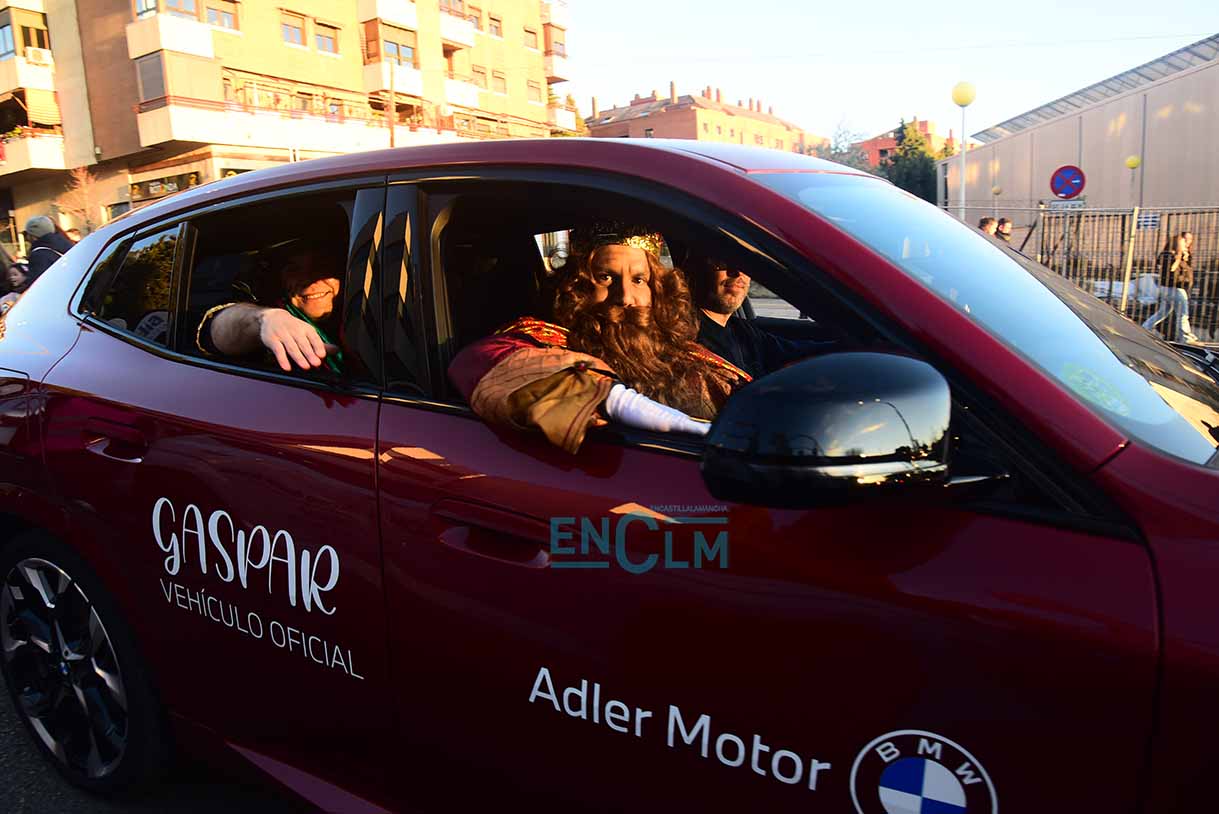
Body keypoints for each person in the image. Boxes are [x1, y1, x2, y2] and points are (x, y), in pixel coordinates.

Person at [448, 223, 751, 453]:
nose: (625, 297)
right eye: (606, 278)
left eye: (639, 280)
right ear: (579, 287)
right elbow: (477, 361)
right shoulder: (551, 339)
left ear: (657, 289)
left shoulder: (681, 352)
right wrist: (616, 401)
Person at [197, 240, 345, 373]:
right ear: (281, 280)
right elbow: (219, 330)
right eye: (293, 269)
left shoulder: (356, 316)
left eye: (320, 267)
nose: (308, 279)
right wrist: (263, 320)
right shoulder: (272, 324)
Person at [689, 254, 833, 379]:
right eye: (723, 262)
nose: (738, 273)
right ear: (695, 269)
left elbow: (794, 352)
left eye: (744, 264)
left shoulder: (742, 331)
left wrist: (843, 347)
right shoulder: (685, 335)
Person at [1142, 231, 1199, 344]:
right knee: (1183, 314)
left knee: (1162, 312)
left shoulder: (1171, 255)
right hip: (1175, 289)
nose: (1188, 242)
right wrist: (1180, 259)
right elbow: (1173, 271)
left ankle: (1144, 328)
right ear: (1178, 242)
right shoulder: (1171, 256)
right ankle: (1186, 338)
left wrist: (1185, 258)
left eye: (1190, 239)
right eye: (1185, 240)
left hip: (1166, 289)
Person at [23, 216, 74, 283]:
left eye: (27, 234)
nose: (26, 237)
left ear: (33, 236)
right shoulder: (67, 245)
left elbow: (39, 283)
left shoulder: (39, 255)